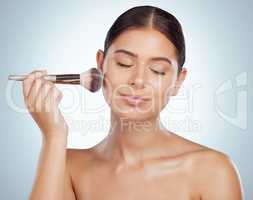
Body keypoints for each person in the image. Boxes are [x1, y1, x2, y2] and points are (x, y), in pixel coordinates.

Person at [25, 5, 243, 200]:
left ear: (178, 81)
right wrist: (53, 136)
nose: (138, 80)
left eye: (157, 70)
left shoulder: (213, 171)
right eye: (124, 63)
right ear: (100, 65)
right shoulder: (67, 166)